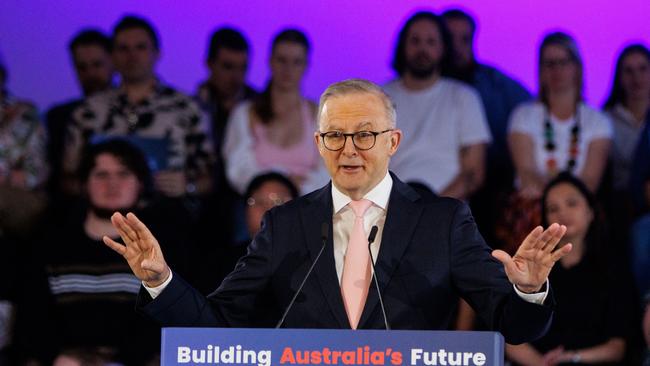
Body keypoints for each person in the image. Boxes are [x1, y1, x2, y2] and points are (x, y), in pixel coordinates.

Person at [104, 79, 571, 344]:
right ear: (319, 145)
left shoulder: (443, 221)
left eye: (365, 134)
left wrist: (529, 292)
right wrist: (159, 279)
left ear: (393, 142)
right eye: (335, 136)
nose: (349, 149)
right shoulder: (285, 223)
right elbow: (219, 325)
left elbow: (513, 326)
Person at [15, 139, 191, 365]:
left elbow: (168, 321)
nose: (112, 184)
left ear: (140, 184)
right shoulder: (49, 244)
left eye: (123, 174)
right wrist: (55, 357)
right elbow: (31, 320)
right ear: (84, 184)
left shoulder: (161, 247)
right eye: (101, 175)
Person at [63, 15, 215, 199]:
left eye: (140, 47)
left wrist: (189, 186)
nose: (132, 56)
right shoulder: (89, 110)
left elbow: (211, 178)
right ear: (112, 56)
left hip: (168, 212)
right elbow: (67, 177)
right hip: (104, 216)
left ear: (157, 53)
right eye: (123, 48)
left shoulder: (187, 108)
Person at [505, 173, 636, 365]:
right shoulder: (532, 268)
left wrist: (571, 358)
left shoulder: (614, 268)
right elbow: (510, 337)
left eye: (572, 203)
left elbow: (617, 348)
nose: (562, 213)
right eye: (553, 208)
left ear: (591, 211)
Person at [503, 32, 612, 255]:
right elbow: (526, 173)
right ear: (540, 70)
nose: (557, 70)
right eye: (549, 63)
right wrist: (554, 207)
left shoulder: (598, 121)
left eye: (564, 62)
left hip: (579, 206)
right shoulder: (523, 115)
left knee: (583, 215)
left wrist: (565, 206)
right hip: (533, 206)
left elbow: (590, 181)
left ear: (577, 68)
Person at [441, 8, 532, 249]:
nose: (457, 47)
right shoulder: (416, 89)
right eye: (450, 39)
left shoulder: (496, 85)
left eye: (465, 39)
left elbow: (533, 111)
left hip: (490, 184)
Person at [383, 11, 491, 200]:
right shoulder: (379, 98)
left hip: (447, 211)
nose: (422, 49)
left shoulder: (464, 97)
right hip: (390, 209)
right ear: (402, 46)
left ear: (443, 48)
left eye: (431, 42)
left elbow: (473, 173)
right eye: (415, 41)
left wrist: (432, 209)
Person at [223, 28, 327, 196]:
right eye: (281, 60)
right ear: (270, 61)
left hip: (305, 206)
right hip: (257, 206)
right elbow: (238, 170)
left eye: (296, 62)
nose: (288, 69)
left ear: (306, 66)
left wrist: (295, 188)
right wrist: (279, 183)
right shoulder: (245, 113)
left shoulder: (321, 117)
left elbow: (329, 171)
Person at [46, 29, 114, 198]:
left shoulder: (135, 113)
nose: (90, 74)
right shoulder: (59, 118)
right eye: (82, 67)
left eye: (97, 65)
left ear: (113, 63)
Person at [603, 44, 650, 197]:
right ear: (619, 77)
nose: (636, 78)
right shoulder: (605, 121)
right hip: (621, 204)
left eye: (643, 69)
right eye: (629, 71)